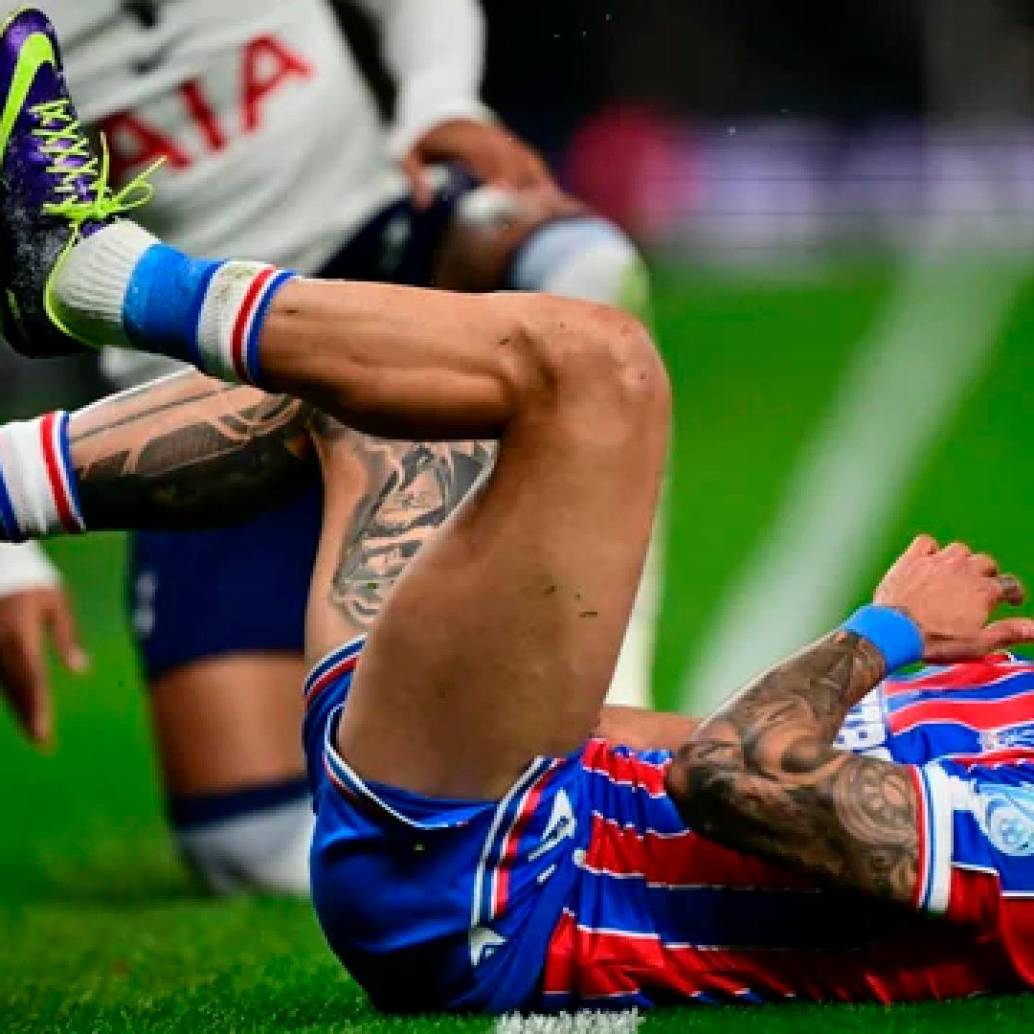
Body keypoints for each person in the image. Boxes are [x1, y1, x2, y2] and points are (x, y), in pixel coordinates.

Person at [4, 9, 1034, 1011]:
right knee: (384, 379)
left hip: (497, 887)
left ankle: (99, 278)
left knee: (603, 366)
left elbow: (731, 775)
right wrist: (514, 693)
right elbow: (674, 737)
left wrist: (885, 630)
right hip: (491, 788)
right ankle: (13, 480)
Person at [0, 0, 657, 895]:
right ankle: (104, 315)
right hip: (183, 384)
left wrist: (437, 99)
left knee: (585, 274)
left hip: (391, 250)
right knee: (247, 845)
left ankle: (603, 718)